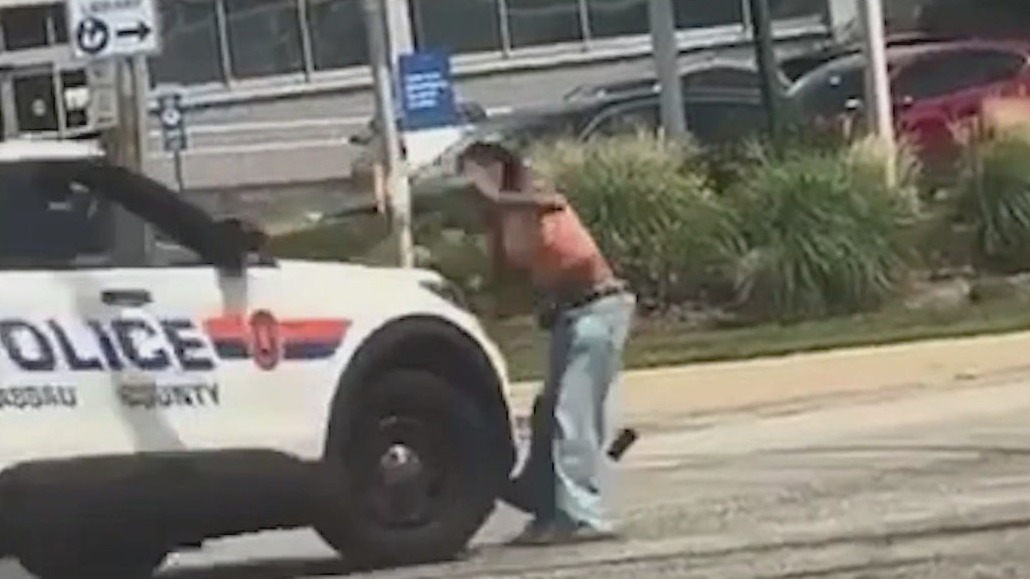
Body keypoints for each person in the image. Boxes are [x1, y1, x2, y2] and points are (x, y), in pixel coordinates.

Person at [456, 141, 635, 546]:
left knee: (571, 415)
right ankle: (546, 507)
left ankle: (582, 514)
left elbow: (550, 204)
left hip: (599, 310)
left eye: (477, 171)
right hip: (569, 315)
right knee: (547, 413)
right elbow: (511, 280)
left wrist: (496, 197)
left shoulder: (533, 196)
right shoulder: (502, 222)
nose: (470, 183)